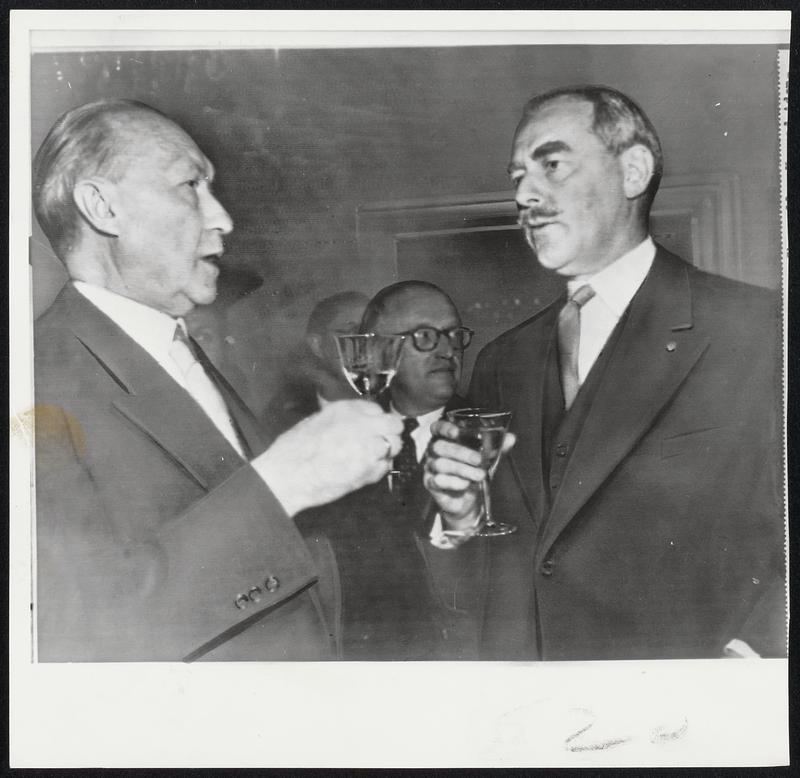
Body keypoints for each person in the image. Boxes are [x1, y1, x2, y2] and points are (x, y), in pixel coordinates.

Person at [31, 98, 403, 662]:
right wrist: (284, 480)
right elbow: (81, 631)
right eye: (190, 185)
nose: (223, 218)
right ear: (102, 206)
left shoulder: (176, 351)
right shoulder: (33, 382)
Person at [423, 85, 785, 660]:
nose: (523, 193)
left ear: (633, 171)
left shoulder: (763, 330)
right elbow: (488, 578)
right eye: (518, 174)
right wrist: (460, 519)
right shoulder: (499, 361)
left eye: (552, 164)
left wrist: (751, 662)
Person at [297, 280, 475, 659]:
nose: (447, 351)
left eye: (453, 335)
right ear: (379, 350)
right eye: (426, 336)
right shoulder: (331, 440)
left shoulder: (495, 435)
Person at [261, 290, 369, 437]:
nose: (364, 344)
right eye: (351, 331)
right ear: (317, 345)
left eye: (370, 332)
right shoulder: (283, 417)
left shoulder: (397, 405)